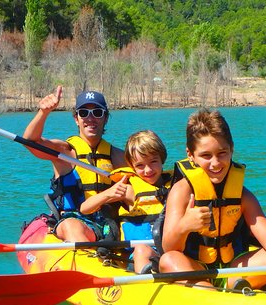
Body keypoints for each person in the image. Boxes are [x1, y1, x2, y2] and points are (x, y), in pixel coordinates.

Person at [158, 108, 266, 296]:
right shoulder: (181, 192)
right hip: (197, 270)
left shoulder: (243, 195)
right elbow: (169, 248)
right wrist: (184, 225)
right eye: (206, 155)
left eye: (222, 153)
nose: (215, 163)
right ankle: (212, 298)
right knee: (169, 260)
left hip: (235, 271)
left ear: (232, 150)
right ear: (190, 155)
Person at [22, 86, 127, 242]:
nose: (90, 118)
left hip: (108, 222)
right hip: (75, 219)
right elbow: (30, 141)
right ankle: (86, 261)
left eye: (97, 113)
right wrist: (43, 113)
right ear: (76, 119)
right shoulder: (64, 152)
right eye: (84, 113)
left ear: (105, 118)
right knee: (71, 225)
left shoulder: (118, 156)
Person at [80, 130, 171, 274]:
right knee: (142, 250)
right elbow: (85, 209)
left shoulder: (176, 186)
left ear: (162, 159)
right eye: (140, 165)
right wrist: (108, 194)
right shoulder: (130, 190)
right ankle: (144, 287)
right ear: (132, 166)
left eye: (153, 161)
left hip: (169, 253)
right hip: (138, 256)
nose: (148, 170)